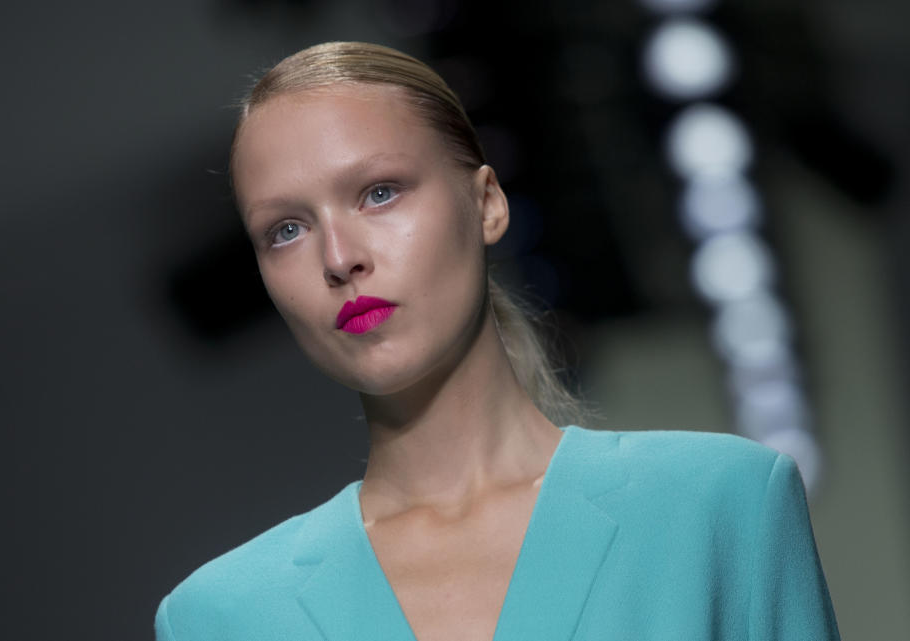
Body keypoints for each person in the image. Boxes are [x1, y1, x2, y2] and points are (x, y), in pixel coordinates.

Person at [154, 41, 839, 641]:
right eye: (286, 230)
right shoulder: (223, 618)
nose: (338, 257)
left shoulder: (719, 508)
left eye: (380, 192)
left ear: (486, 202)